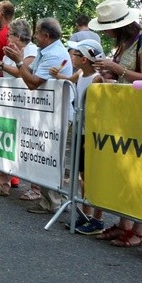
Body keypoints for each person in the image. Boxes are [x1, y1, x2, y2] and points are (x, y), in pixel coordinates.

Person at [89, 0, 142, 247]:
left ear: (118, 24)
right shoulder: (123, 43)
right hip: (126, 116)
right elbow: (126, 77)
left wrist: (116, 70)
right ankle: (123, 224)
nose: (105, 32)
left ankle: (138, 231)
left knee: (139, 172)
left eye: (106, 26)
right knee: (126, 171)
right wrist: (109, 72)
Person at [1, 18, 73, 204]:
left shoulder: (54, 54)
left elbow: (32, 82)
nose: (33, 37)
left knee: (53, 159)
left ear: (46, 36)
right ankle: (48, 201)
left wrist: (18, 61)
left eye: (37, 33)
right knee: (45, 157)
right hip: (47, 113)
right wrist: (14, 63)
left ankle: (54, 202)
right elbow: (26, 72)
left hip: (58, 114)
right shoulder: (44, 50)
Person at [49, 39, 105, 233]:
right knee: (82, 174)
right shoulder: (81, 73)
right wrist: (58, 76)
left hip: (91, 132)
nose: (70, 56)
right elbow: (69, 81)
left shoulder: (97, 79)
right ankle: (86, 214)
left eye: (74, 54)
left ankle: (97, 219)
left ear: (83, 58)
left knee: (92, 175)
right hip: (81, 129)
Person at [0, 19, 37, 199]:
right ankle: (2, 184)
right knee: (6, 142)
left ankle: (36, 189)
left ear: (19, 36)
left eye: (10, 35)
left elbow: (24, 72)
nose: (7, 38)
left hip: (27, 104)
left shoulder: (31, 50)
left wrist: (2, 63)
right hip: (9, 104)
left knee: (29, 146)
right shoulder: (8, 53)